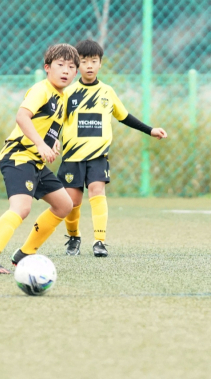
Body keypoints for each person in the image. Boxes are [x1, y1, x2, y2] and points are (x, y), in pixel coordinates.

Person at [13, 39, 168, 260]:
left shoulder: (107, 92)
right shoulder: (68, 92)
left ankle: (100, 241)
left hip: (98, 157)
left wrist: (150, 130)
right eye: (84, 61)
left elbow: (124, 117)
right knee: (72, 202)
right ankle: (74, 237)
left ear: (100, 64)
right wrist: (51, 140)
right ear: (77, 66)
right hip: (73, 157)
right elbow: (54, 120)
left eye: (93, 61)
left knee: (97, 190)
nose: (89, 66)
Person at [0, 44, 79, 274]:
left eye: (71, 67)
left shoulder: (61, 97)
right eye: (60, 65)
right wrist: (41, 145)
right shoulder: (41, 89)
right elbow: (23, 116)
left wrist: (52, 142)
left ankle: (25, 253)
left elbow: (45, 124)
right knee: (21, 208)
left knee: (64, 205)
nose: (66, 70)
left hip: (36, 162)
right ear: (47, 68)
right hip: (19, 156)